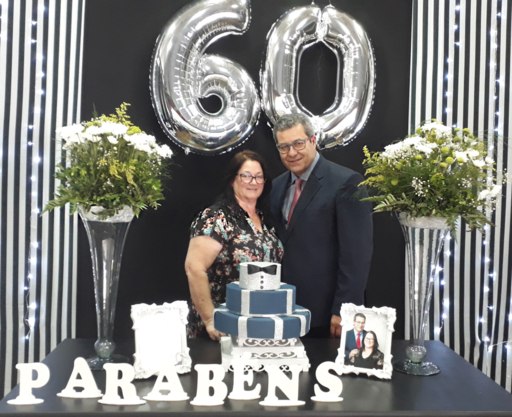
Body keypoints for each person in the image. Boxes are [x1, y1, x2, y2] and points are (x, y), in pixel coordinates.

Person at [270, 114, 373, 338]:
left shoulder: (346, 182)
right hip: (283, 311)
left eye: (298, 143)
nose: (292, 153)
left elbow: (357, 255)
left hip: (327, 315)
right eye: (284, 147)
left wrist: (345, 309)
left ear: (313, 140)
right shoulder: (276, 186)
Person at [185, 150, 283, 341]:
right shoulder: (216, 217)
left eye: (259, 177)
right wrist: (210, 320)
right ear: (232, 180)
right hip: (221, 327)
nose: (253, 182)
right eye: (246, 176)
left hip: (258, 323)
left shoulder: (265, 219)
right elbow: (194, 268)